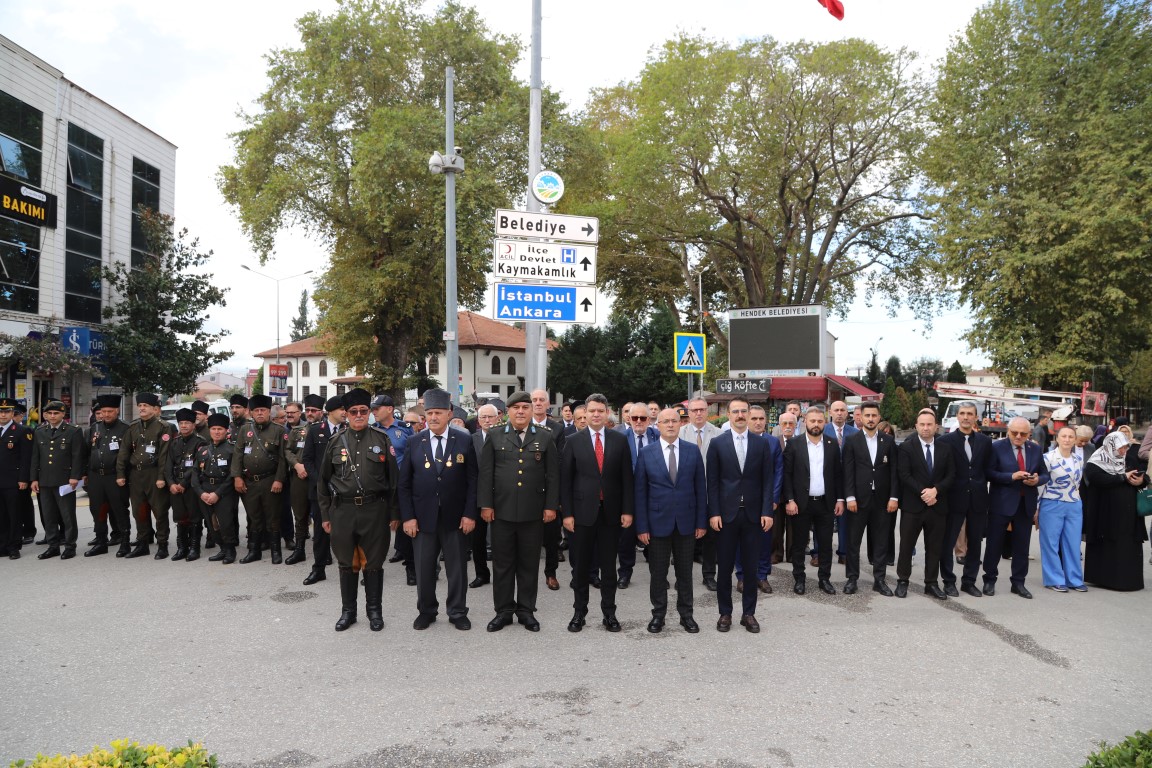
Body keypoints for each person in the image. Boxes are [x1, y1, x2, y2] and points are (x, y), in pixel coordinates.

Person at [318, 388, 400, 632]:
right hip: (342, 511)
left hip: (375, 510)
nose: (359, 415)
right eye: (353, 412)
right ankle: (348, 612)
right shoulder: (334, 442)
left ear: (369, 413)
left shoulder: (381, 440)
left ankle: (374, 611)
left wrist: (395, 514)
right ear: (346, 414)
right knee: (347, 562)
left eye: (363, 411)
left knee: (373, 563)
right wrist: (325, 515)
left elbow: (393, 481)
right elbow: (322, 483)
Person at [477, 391, 559, 633]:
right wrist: (486, 505)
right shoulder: (494, 435)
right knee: (502, 565)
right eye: (516, 408)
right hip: (501, 512)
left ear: (532, 410)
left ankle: (526, 610)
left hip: (533, 513)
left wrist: (550, 506)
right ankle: (503, 611)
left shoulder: (545, 437)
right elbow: (486, 474)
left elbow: (553, 476)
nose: (521, 411)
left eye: (526, 407)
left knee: (528, 564)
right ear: (508, 412)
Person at [398, 388, 477, 630]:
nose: (433, 417)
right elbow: (404, 484)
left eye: (438, 413)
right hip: (423, 518)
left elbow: (474, 480)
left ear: (449, 413)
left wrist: (469, 513)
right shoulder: (414, 442)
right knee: (424, 567)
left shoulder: (464, 439)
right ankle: (427, 610)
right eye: (429, 413)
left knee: (457, 569)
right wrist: (408, 517)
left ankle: (457, 611)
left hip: (455, 517)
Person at [561, 393, 634, 633]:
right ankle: (578, 613)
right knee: (581, 567)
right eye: (592, 411)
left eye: (600, 411)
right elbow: (566, 481)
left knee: (608, 568)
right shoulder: (573, 440)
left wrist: (627, 510)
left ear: (607, 413)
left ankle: (609, 614)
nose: (596, 415)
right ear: (585, 413)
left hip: (611, 514)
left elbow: (626, 479)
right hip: (581, 514)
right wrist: (567, 514)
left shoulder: (619, 440)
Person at [634, 408, 707, 633]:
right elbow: (640, 492)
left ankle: (687, 615)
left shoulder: (693, 451)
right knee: (658, 573)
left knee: (685, 572)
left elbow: (700, 489)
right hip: (657, 524)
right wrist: (642, 526)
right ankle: (658, 615)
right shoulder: (647, 453)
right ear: (658, 425)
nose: (670, 425)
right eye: (665, 421)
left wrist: (701, 522)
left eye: (674, 421)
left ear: (680, 423)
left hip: (686, 523)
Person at [707, 398, 775, 633]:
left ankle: (749, 614)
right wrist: (714, 512)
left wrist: (767, 511)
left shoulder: (761, 444)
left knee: (750, 567)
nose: (739, 415)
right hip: (726, 515)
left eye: (743, 411)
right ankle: (725, 613)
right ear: (728, 414)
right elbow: (712, 482)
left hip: (754, 516)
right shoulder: (717, 443)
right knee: (724, 567)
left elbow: (768, 480)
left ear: (749, 414)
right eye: (735, 411)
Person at [983, 417, 1049, 598]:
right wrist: (1011, 476)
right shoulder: (996, 447)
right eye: (1014, 433)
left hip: (1025, 504)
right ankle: (989, 580)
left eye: (1023, 433)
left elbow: (1044, 474)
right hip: (1001, 503)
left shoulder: (1035, 448)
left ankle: (1018, 583)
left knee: (1021, 546)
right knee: (994, 544)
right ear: (1008, 431)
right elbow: (988, 473)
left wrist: (1037, 480)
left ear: (1029, 434)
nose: (1018, 436)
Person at [894, 410, 955, 599]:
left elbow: (951, 475)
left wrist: (936, 491)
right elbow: (904, 475)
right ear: (916, 426)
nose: (926, 428)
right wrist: (925, 492)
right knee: (906, 545)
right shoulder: (907, 447)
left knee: (934, 547)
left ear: (936, 426)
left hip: (937, 505)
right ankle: (903, 581)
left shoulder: (945, 448)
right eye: (922, 424)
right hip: (914, 506)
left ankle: (931, 583)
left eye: (929, 425)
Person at [783, 407, 843, 595]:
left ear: (824, 422)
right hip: (801, 503)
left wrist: (840, 499)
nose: (816, 424)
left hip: (826, 503)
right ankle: (799, 579)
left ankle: (824, 579)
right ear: (805, 422)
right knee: (799, 544)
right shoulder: (794, 444)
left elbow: (838, 474)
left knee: (825, 544)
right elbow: (787, 475)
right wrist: (790, 500)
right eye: (812, 421)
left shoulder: (833, 444)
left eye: (819, 421)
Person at [841, 401, 900, 595]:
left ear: (879, 417)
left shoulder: (888, 441)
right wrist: (849, 497)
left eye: (874, 415)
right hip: (857, 500)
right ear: (861, 417)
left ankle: (880, 580)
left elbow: (894, 472)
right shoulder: (852, 441)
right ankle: (852, 579)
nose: (871, 419)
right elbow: (848, 471)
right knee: (853, 542)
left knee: (881, 541)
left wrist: (893, 497)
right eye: (867, 415)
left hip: (882, 501)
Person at [937, 401, 993, 597]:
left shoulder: (985, 442)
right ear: (957, 417)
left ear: (976, 417)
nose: (966, 417)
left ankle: (969, 581)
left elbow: (988, 469)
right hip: (953, 499)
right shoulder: (945, 441)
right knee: (948, 541)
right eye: (962, 413)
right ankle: (948, 580)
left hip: (978, 499)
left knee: (975, 543)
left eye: (970, 413)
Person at [1083, 432, 1147, 591]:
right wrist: (1122, 477)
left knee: (1128, 545)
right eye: (1121, 447)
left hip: (1129, 514)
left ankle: (1129, 580)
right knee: (1107, 544)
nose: (1124, 451)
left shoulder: (1129, 459)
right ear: (1111, 445)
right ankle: (1104, 579)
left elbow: (1142, 475)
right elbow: (1097, 479)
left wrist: (1141, 480)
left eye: (1126, 447)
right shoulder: (1097, 461)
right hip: (1106, 513)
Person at [116, 393, 176, 559]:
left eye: (146, 406)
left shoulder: (163, 427)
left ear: (154, 409)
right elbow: (124, 452)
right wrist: (121, 473)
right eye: (140, 405)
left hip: (154, 473)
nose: (142, 408)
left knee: (159, 510)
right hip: (136, 474)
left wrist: (161, 477)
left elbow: (165, 455)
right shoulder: (133, 427)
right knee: (138, 510)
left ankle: (162, 544)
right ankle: (142, 543)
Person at [231, 394, 288, 564]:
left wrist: (279, 479)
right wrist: (237, 477)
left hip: (270, 480)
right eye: (256, 411)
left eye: (263, 410)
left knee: (273, 518)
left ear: (269, 412)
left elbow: (283, 459)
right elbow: (238, 454)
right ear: (252, 413)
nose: (260, 413)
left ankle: (276, 552)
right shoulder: (244, 430)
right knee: (254, 517)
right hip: (250, 482)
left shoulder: (279, 430)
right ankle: (254, 551)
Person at [735, 405, 783, 595]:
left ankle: (762, 576)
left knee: (764, 541)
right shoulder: (739, 441)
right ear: (747, 419)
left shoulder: (773, 442)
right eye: (754, 418)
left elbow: (778, 472)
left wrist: (773, 498)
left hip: (765, 501)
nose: (758, 422)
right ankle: (742, 576)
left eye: (761, 419)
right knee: (741, 541)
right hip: (741, 501)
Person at [29, 400, 85, 560]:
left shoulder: (73, 431)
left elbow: (77, 456)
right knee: (49, 516)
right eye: (49, 413)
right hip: (44, 480)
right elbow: (35, 457)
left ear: (63, 415)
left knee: (67, 515)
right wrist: (33, 478)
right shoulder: (40, 431)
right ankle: (53, 546)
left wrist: (75, 476)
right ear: (45, 415)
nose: (53, 416)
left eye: (56, 413)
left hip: (65, 480)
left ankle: (70, 546)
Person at [300, 396, 345, 585]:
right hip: (320, 490)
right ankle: (318, 569)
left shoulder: (348, 431)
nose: (345, 412)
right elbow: (307, 459)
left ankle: (352, 568)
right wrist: (320, 480)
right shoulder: (316, 430)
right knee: (320, 532)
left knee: (347, 531)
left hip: (344, 490)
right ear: (331, 411)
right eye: (342, 409)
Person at [1036, 426, 1086, 592]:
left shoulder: (1079, 459)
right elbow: (1040, 484)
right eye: (1063, 436)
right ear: (1057, 439)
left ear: (1075, 439)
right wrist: (1036, 508)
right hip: (1051, 502)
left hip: (1074, 504)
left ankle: (1074, 579)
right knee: (1050, 543)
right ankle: (1054, 579)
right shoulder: (1048, 458)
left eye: (1070, 436)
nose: (1067, 439)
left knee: (1073, 543)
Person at [681, 398, 723, 591]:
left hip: (710, 494)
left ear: (707, 411)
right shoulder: (679, 433)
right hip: (686, 495)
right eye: (694, 410)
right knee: (684, 538)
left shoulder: (719, 434)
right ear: (688, 413)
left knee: (711, 538)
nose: (698, 413)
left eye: (702, 410)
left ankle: (708, 575)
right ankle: (683, 577)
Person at [530, 389, 567, 593]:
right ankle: (527, 575)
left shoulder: (557, 429)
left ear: (547, 404)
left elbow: (560, 461)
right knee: (528, 536)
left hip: (549, 489)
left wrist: (557, 495)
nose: (537, 403)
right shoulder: (520, 426)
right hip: (526, 490)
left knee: (551, 536)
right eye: (533, 400)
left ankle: (550, 573)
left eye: (541, 400)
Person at [83, 394, 130, 558]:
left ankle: (124, 542)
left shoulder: (126, 428)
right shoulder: (94, 428)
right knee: (98, 510)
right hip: (96, 476)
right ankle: (101, 542)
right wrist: (84, 474)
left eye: (110, 411)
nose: (106, 415)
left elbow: (130, 454)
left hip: (115, 476)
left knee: (119, 509)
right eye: (103, 411)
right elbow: (87, 452)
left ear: (117, 410)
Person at [618, 402, 658, 589]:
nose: (639, 421)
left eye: (643, 418)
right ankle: (625, 573)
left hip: (653, 496)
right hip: (628, 496)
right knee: (626, 538)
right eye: (635, 418)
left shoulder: (658, 436)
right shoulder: (619, 438)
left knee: (656, 537)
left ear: (649, 420)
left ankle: (659, 575)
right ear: (629, 419)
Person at [192, 413, 239, 565]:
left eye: (220, 429)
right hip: (205, 490)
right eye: (213, 429)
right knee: (211, 524)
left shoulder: (232, 450)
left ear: (226, 431)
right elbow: (195, 474)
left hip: (224, 491)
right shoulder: (202, 450)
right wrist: (201, 493)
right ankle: (222, 548)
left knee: (225, 523)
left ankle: (230, 550)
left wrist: (217, 494)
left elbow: (233, 474)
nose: (216, 432)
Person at [166, 408, 206, 561]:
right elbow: (168, 464)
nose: (183, 426)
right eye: (181, 423)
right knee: (180, 517)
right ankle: (182, 547)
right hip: (175, 486)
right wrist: (171, 483)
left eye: (187, 423)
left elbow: (198, 465)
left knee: (194, 517)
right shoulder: (174, 442)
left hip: (191, 485)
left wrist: (183, 483)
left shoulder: (200, 442)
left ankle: (194, 548)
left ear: (193, 425)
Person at [468, 403, 501, 588]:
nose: (487, 420)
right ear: (478, 421)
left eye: (490, 417)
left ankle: (502, 576)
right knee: (477, 539)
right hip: (478, 496)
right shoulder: (470, 440)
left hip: (502, 496)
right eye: (483, 417)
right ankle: (482, 574)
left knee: (501, 539)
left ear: (498, 418)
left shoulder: (506, 437)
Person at [283, 397, 319, 565]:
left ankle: (323, 551)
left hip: (319, 479)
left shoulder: (326, 430)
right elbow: (288, 451)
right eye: (309, 410)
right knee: (300, 515)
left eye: (315, 410)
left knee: (321, 515)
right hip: (300, 477)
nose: (311, 413)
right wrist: (297, 465)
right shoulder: (298, 431)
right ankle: (299, 550)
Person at [824, 400, 860, 565]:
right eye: (836, 410)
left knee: (845, 520)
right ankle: (819, 552)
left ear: (847, 413)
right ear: (830, 412)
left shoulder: (854, 433)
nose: (839, 413)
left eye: (842, 410)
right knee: (823, 520)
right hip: (826, 482)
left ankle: (844, 552)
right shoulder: (822, 430)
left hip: (847, 482)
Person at [0, 398, 32, 560]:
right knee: (1, 515)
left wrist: (23, 479)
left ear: (13, 413)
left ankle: (14, 546)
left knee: (14, 515)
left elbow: (26, 459)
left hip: (13, 481)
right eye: (0, 411)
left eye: (6, 412)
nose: (3, 415)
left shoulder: (21, 431)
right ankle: (2, 545)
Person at [770, 410, 799, 565]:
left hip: (795, 493)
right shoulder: (774, 442)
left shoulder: (801, 442)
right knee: (776, 527)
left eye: (791, 423)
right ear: (780, 425)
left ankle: (793, 555)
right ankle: (776, 553)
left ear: (795, 425)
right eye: (785, 423)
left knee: (794, 527)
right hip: (777, 492)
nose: (788, 426)